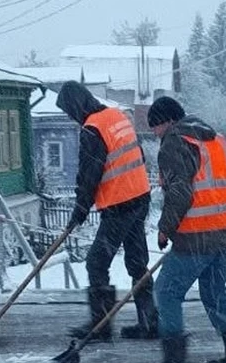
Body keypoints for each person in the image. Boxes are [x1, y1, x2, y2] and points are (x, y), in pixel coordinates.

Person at [140, 96, 226, 363]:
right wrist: (215, 202)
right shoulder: (215, 140)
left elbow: (180, 193)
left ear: (168, 121)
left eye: (155, 127)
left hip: (195, 236)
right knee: (214, 293)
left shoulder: (175, 143)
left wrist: (165, 229)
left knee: (166, 291)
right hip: (224, 232)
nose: (155, 133)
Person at [55, 81, 158, 342]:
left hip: (119, 205)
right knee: (137, 262)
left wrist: (79, 211)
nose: (70, 117)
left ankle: (100, 326)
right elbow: (138, 155)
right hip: (140, 196)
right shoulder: (117, 117)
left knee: (96, 263)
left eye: (68, 111)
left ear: (75, 106)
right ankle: (149, 322)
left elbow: (89, 175)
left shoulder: (93, 129)